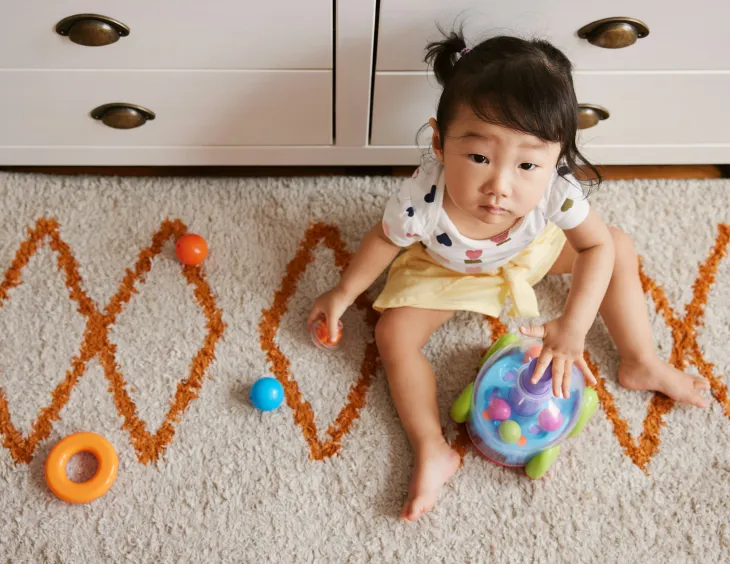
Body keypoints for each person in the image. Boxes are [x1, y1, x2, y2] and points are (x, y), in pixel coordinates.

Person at [308, 30, 710, 522]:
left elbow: (596, 246)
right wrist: (344, 291)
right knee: (392, 333)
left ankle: (640, 359)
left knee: (618, 245)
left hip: (529, 255)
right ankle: (431, 447)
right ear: (439, 142)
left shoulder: (555, 190)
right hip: (446, 269)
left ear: (556, 159)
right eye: (479, 158)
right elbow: (384, 240)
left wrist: (574, 326)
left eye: (527, 164)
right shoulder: (421, 199)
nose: (499, 185)